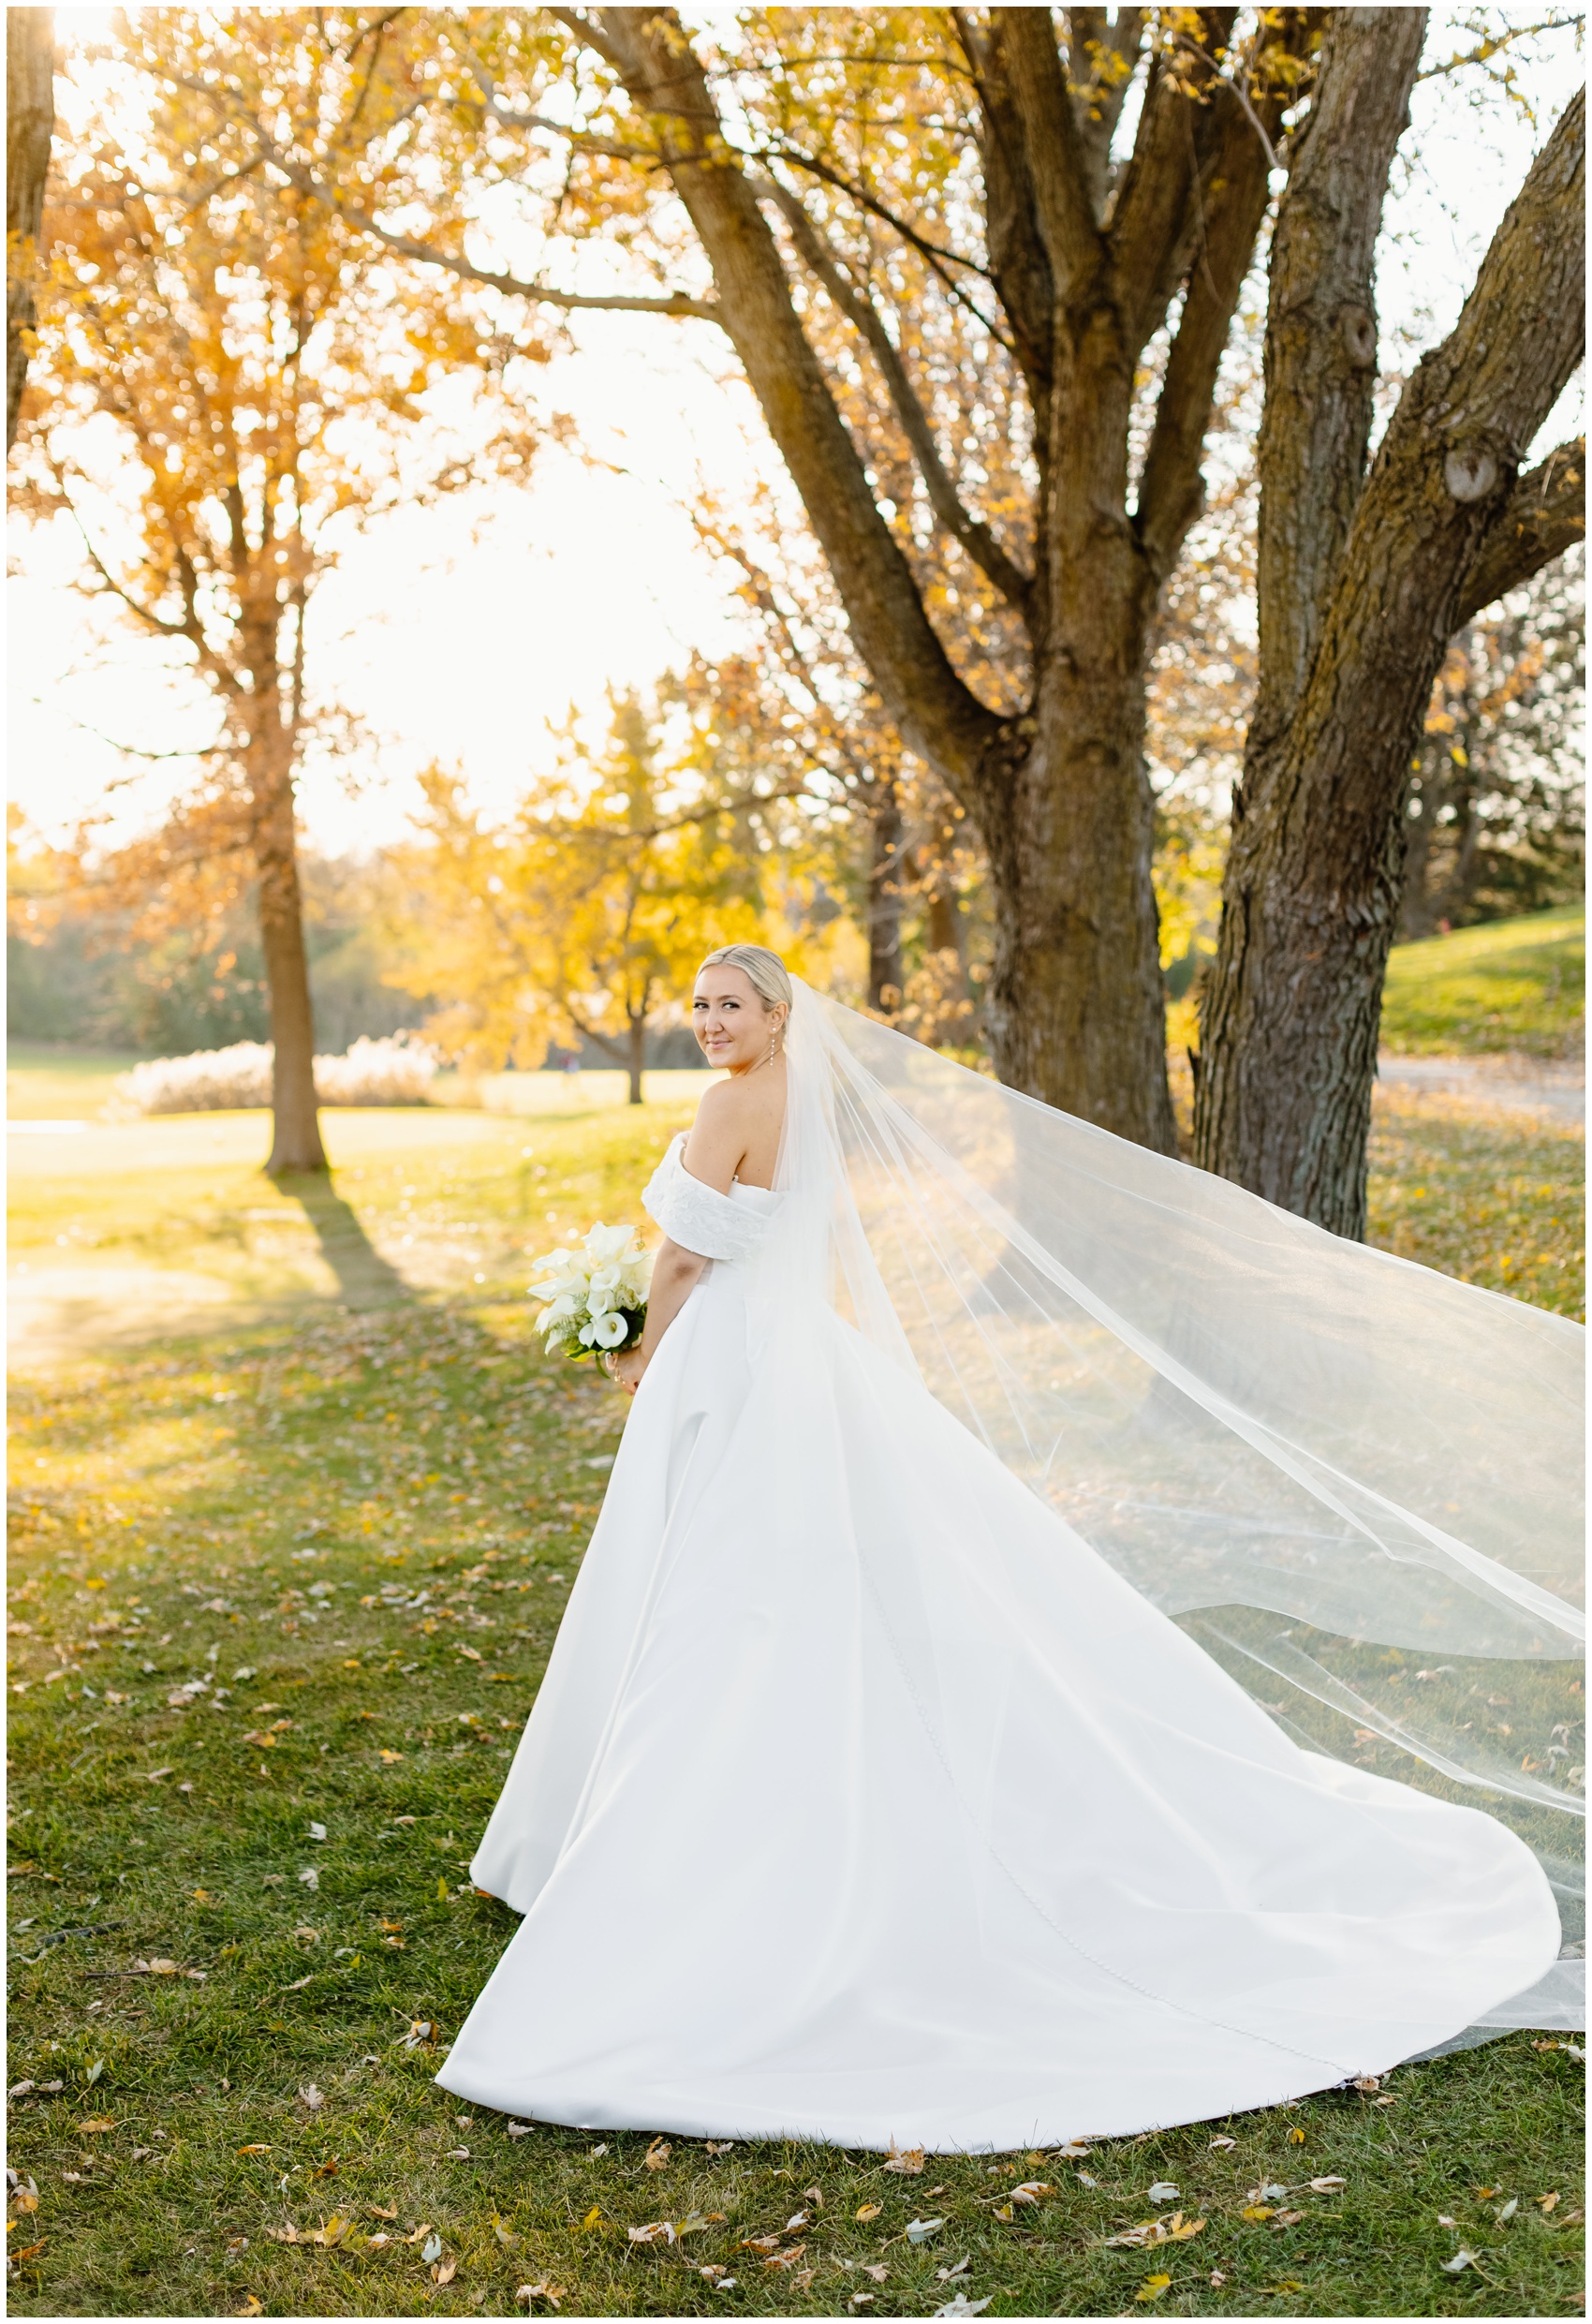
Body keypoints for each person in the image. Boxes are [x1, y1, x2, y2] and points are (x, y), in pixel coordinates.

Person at [436, 944, 1582, 2152]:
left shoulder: (729, 1106)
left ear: (779, 1018)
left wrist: (640, 1352)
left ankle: (671, 1850)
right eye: (701, 1005)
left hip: (728, 1364)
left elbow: (678, 1256)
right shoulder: (809, 1105)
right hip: (801, 1363)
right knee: (795, 1586)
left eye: (732, 1004)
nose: (711, 1022)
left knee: (714, 1591)